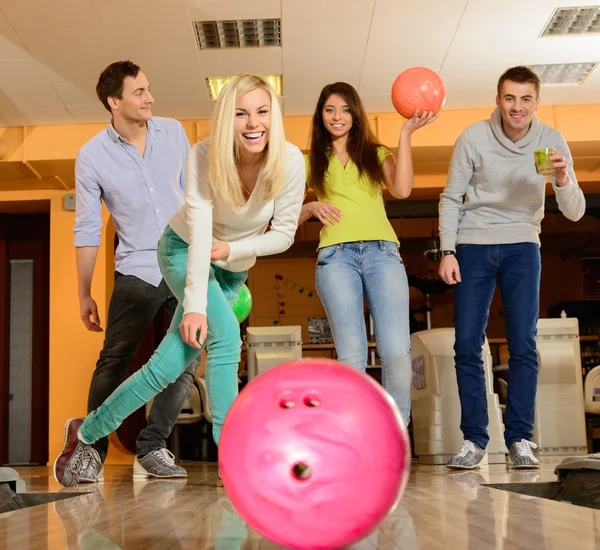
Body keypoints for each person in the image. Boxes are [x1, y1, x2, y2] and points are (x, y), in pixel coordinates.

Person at [54, 74, 306, 487]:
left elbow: (284, 235)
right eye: (241, 113)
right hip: (183, 248)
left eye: (262, 112)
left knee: (166, 368)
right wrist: (193, 305)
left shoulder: (290, 160)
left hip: (230, 262)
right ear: (227, 118)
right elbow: (201, 229)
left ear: (273, 116)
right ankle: (235, 458)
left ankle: (87, 430)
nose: (252, 123)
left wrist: (232, 252)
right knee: (225, 339)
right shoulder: (204, 155)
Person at [439, 66, 586, 470]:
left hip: (523, 243)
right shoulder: (473, 137)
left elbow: (575, 213)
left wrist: (562, 177)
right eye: (509, 98)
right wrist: (447, 250)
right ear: (498, 100)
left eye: (525, 99)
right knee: (467, 343)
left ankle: (520, 437)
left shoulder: (551, 140)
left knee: (524, 343)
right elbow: (451, 197)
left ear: (536, 102)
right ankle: (474, 439)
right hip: (473, 244)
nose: (517, 107)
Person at [71, 60, 196, 482]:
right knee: (114, 360)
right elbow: (87, 226)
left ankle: (153, 445)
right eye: (139, 92)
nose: (150, 98)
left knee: (185, 358)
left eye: (148, 89)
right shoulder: (91, 156)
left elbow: (194, 197)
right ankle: (90, 448)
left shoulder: (174, 132)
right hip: (137, 269)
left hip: (185, 263)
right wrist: (84, 291)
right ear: (114, 100)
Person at [298, 82, 437, 425]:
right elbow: (281, 214)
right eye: (330, 110)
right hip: (335, 257)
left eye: (345, 109)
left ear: (356, 114)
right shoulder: (307, 160)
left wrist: (405, 134)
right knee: (351, 356)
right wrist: (311, 206)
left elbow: (402, 189)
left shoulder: (376, 153)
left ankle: (394, 430)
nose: (338, 117)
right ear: (321, 115)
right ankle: (356, 431)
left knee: (395, 350)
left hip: (382, 253)